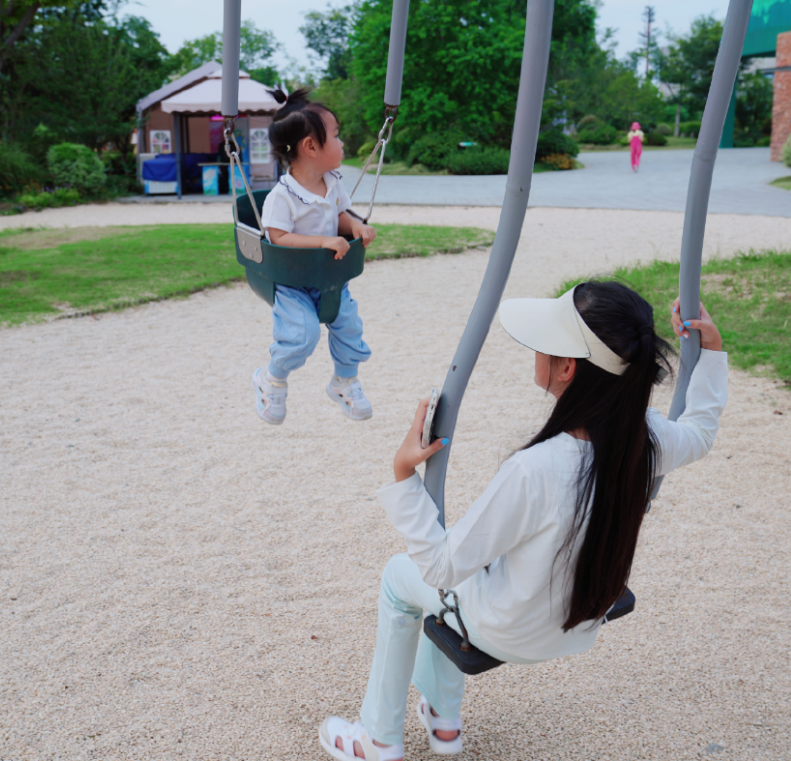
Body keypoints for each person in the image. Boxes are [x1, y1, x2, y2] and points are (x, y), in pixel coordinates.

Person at [319, 282, 728, 761]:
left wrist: (403, 472)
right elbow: (700, 432)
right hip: (579, 623)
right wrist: (713, 350)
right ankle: (443, 723)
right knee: (456, 572)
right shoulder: (647, 437)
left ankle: (379, 738)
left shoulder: (536, 470)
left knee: (401, 578)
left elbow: (442, 569)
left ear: (566, 368)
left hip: (511, 629)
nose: (535, 349)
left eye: (543, 342)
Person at [252, 87, 377, 425]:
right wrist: (322, 240)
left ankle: (344, 382)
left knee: (350, 328)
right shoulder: (283, 196)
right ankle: (272, 379)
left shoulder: (332, 183)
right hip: (293, 282)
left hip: (329, 278)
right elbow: (276, 236)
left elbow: (339, 216)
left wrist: (356, 226)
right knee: (301, 337)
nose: (342, 144)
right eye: (335, 136)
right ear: (310, 147)